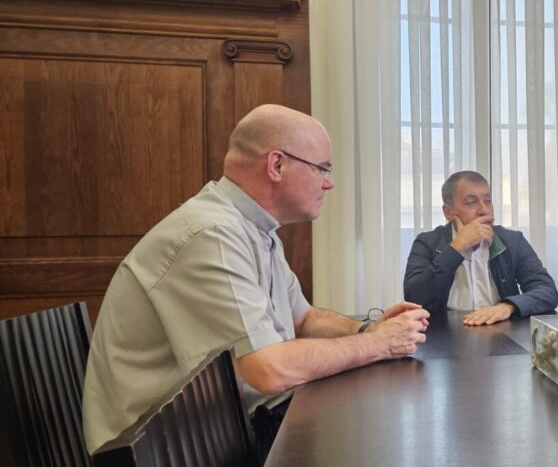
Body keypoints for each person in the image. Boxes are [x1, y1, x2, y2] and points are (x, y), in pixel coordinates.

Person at [81, 104, 430, 462]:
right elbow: (267, 369)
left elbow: (303, 320)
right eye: (322, 168)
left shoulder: (253, 228)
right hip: (160, 449)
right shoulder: (212, 234)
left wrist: (367, 330)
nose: (329, 182)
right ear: (276, 165)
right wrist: (377, 345)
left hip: (216, 426)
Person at [403, 171, 558, 325]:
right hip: (445, 335)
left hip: (501, 332)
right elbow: (414, 299)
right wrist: (457, 247)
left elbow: (547, 291)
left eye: (488, 200)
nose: (484, 210)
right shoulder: (427, 242)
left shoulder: (512, 241)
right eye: (471, 202)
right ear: (448, 212)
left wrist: (508, 306)